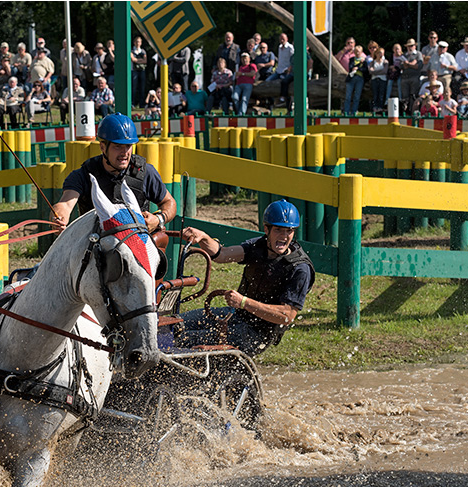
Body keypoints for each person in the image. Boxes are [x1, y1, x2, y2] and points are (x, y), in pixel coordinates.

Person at [175, 200, 314, 356]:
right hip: (236, 315)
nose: (284, 237)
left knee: (183, 339)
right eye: (278, 230)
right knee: (176, 323)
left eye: (289, 231)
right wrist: (203, 237)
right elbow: (223, 255)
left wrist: (244, 302)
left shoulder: (300, 269)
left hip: (256, 334)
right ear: (266, 229)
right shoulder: (259, 246)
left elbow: (287, 316)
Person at [52, 113, 175, 232]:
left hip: (137, 244)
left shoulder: (145, 172)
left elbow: (169, 202)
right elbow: (65, 204)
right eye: (118, 146)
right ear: (102, 147)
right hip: (97, 244)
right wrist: (59, 217)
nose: (124, 152)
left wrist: (159, 219)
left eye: (128, 146)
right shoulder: (84, 175)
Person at [343, 46, 367, 115]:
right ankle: (346, 112)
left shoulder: (364, 61)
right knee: (348, 96)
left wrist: (358, 68)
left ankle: (354, 111)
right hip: (351, 78)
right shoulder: (352, 59)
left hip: (360, 78)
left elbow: (365, 70)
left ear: (361, 52)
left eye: (359, 51)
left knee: (357, 96)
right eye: (356, 51)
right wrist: (358, 66)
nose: (357, 52)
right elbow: (351, 67)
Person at [399, 38, 422, 111]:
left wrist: (408, 64)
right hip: (405, 78)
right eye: (409, 46)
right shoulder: (404, 55)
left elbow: (418, 66)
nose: (410, 47)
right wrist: (412, 64)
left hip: (415, 77)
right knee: (405, 97)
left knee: (413, 95)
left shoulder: (418, 54)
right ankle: (405, 111)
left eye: (411, 46)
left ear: (415, 46)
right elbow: (402, 66)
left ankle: (412, 110)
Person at [368, 46, 388, 114]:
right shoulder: (373, 62)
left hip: (382, 79)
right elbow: (370, 71)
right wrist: (379, 71)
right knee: (375, 94)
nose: (381, 55)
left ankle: (380, 108)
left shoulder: (385, 62)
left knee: (381, 94)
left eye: (382, 53)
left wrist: (375, 72)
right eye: (379, 53)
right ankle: (375, 107)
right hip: (374, 79)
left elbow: (385, 71)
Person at [131, 36, 147, 107]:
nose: (138, 43)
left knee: (142, 87)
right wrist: (140, 60)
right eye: (137, 41)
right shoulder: (131, 51)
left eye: (139, 42)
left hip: (142, 70)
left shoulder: (143, 51)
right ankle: (133, 103)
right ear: (134, 42)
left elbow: (145, 61)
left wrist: (137, 60)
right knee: (134, 87)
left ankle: (142, 104)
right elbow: (133, 59)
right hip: (134, 71)